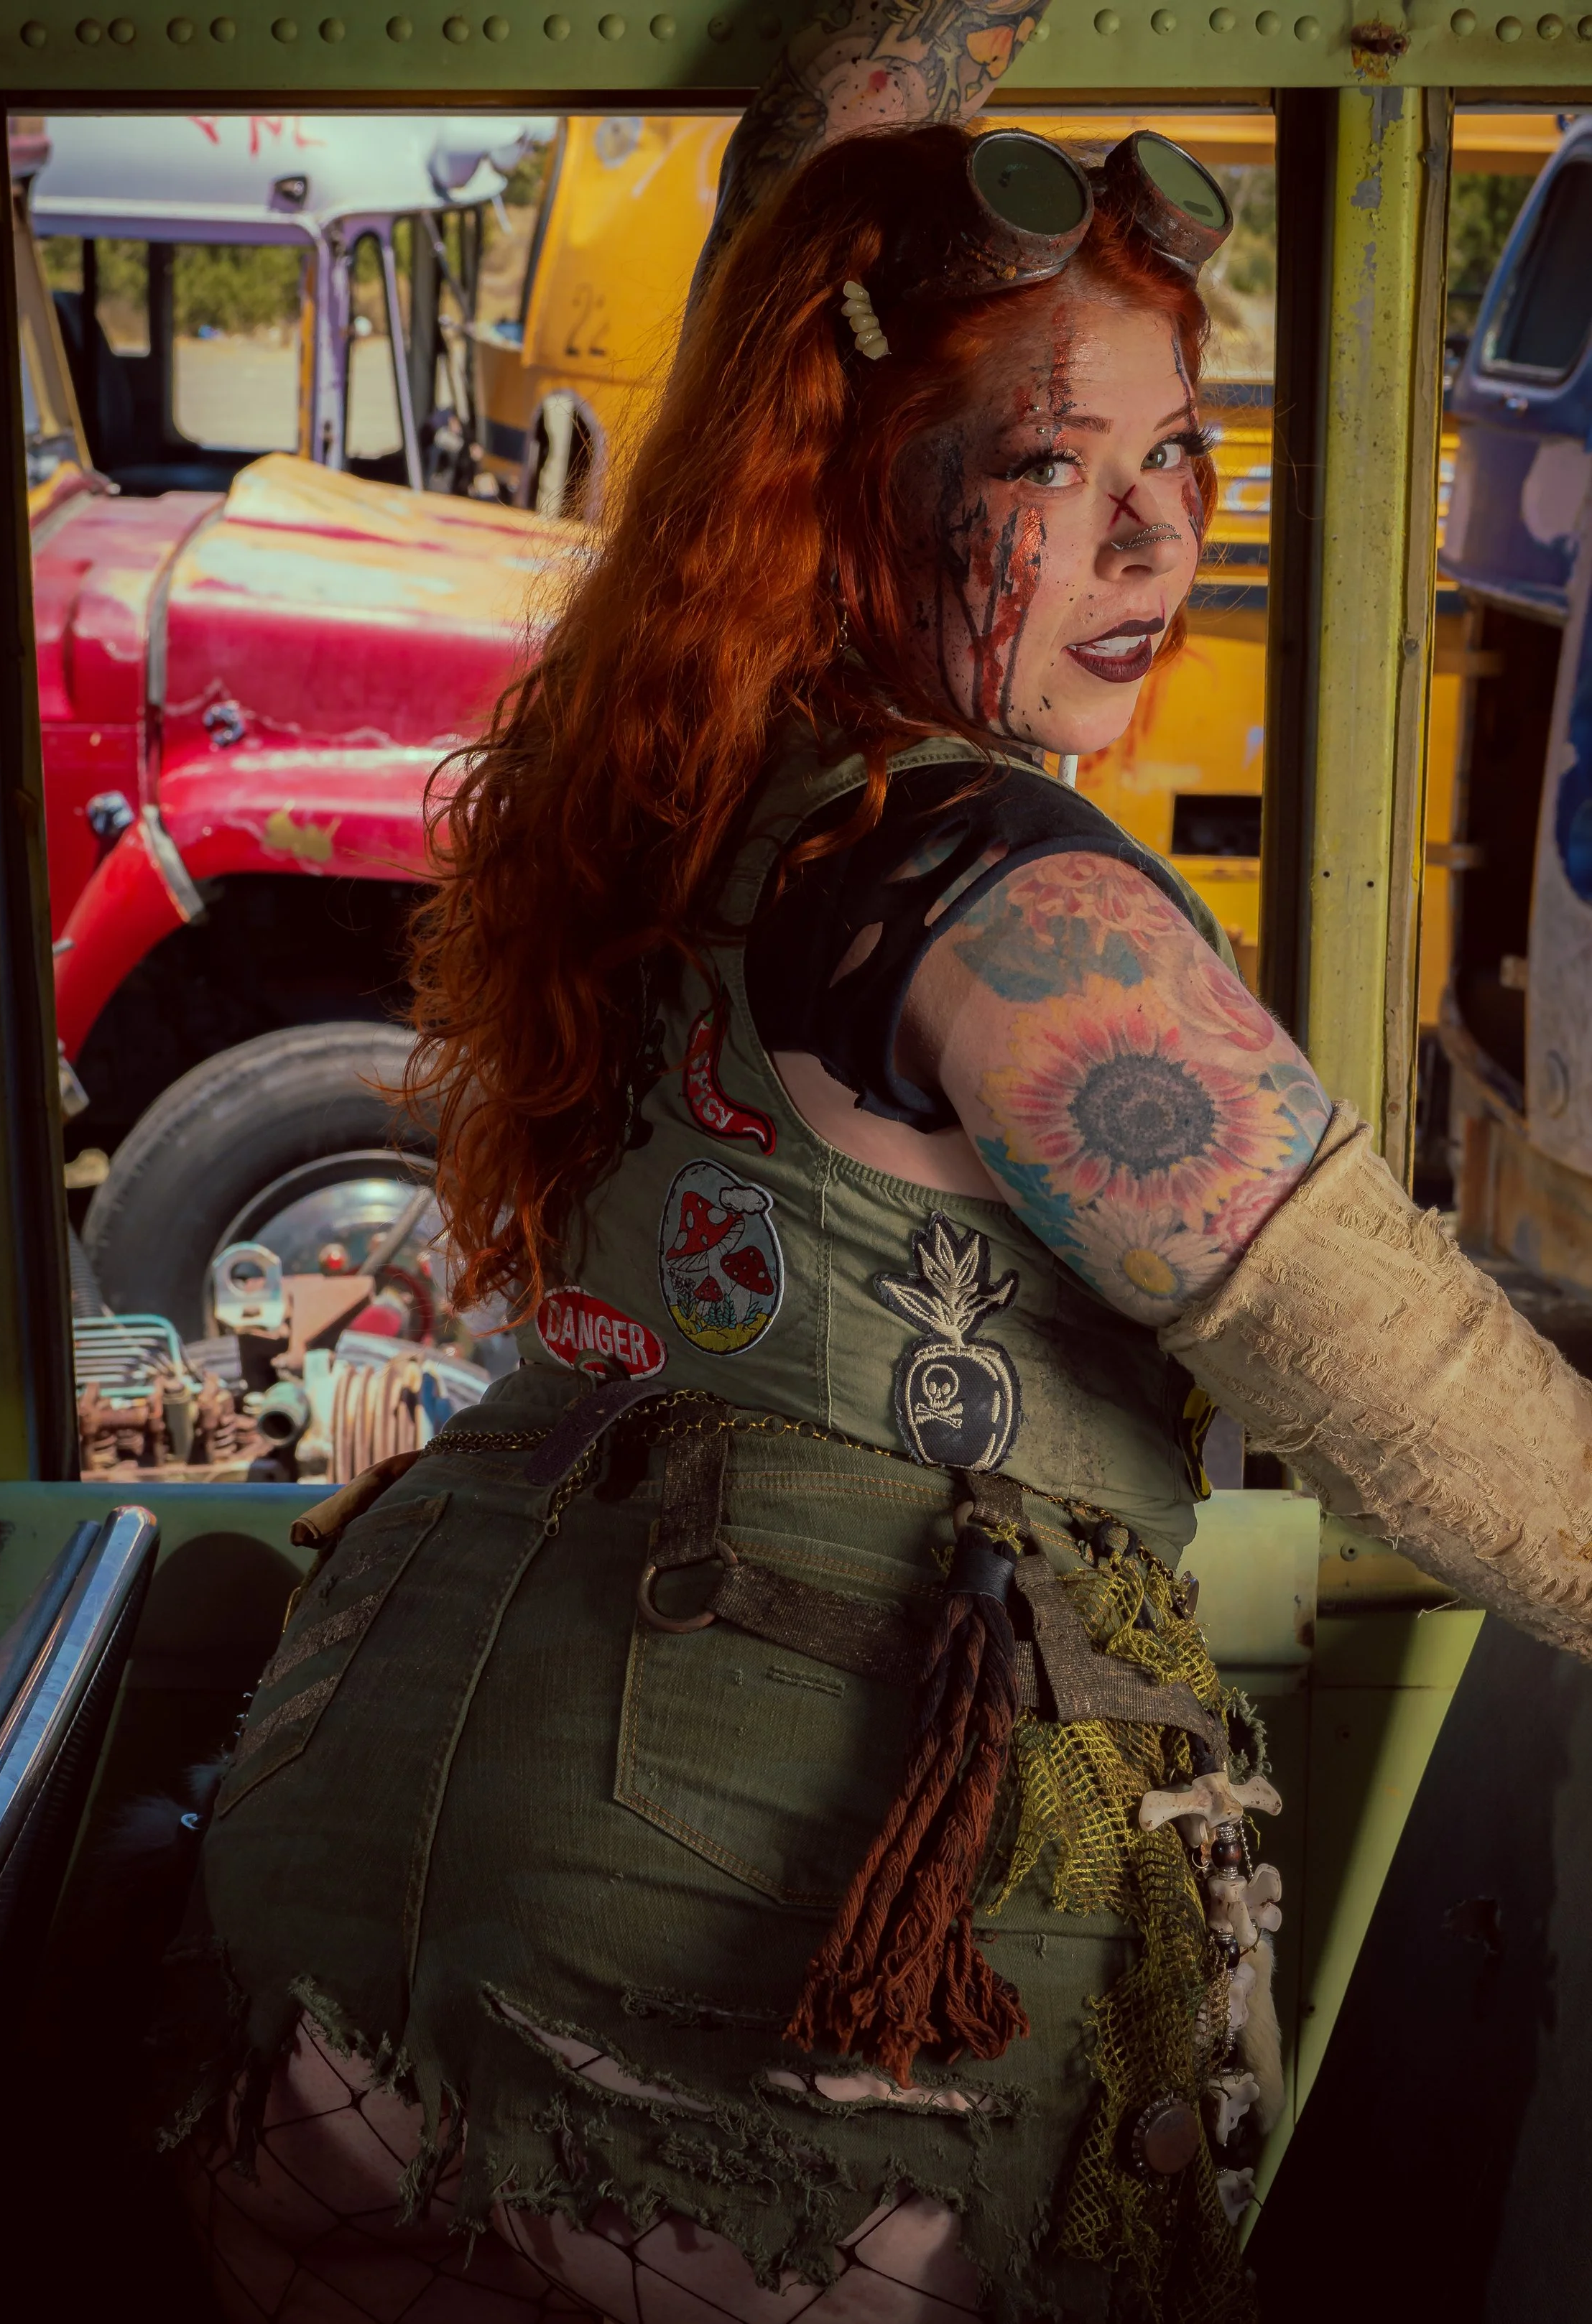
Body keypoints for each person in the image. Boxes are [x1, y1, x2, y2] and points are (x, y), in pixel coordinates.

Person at [153, 25, 1592, 2324]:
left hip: (358, 1823)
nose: (1155, 538)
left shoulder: (680, 772)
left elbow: (785, 261)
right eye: (1047, 463)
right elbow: (1409, 1392)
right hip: (729, 1927)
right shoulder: (1005, 903)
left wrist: (899, 78)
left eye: (1176, 449)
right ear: (842, 483)